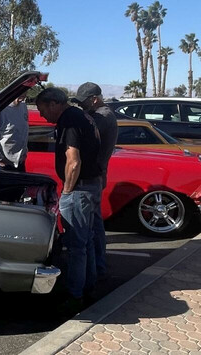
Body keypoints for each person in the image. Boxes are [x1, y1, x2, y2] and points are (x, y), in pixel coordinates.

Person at [35, 87, 102, 309]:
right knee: (87, 241)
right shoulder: (82, 116)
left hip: (79, 190)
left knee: (76, 246)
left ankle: (75, 296)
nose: (42, 115)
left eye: (43, 109)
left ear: (54, 104)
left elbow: (73, 161)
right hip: (92, 185)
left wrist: (67, 192)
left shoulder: (69, 120)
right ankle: (89, 287)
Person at [72, 82, 118, 280]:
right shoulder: (102, 115)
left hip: (93, 175)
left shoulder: (102, 117)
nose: (81, 106)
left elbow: (83, 133)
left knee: (92, 227)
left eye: (84, 102)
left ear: (95, 99)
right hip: (98, 174)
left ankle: (97, 266)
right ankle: (98, 264)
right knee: (95, 223)